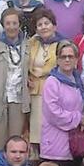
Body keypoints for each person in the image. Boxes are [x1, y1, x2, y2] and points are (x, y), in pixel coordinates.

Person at [40, 40, 84, 166]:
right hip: (56, 144)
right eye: (63, 57)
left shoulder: (78, 80)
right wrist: (77, 118)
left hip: (73, 145)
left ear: (76, 59)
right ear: (58, 59)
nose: (67, 60)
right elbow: (53, 112)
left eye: (71, 56)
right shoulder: (52, 82)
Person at [0, 8, 31, 155]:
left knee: (16, 143)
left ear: (20, 24)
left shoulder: (27, 44)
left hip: (18, 100)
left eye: (15, 23)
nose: (12, 27)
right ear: (3, 25)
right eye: (8, 23)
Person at [26, 8, 66, 153]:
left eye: (47, 23)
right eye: (40, 24)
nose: (43, 27)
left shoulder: (62, 44)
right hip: (34, 91)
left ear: (54, 25)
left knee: (50, 130)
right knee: (35, 131)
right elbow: (24, 63)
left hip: (54, 91)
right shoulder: (32, 42)